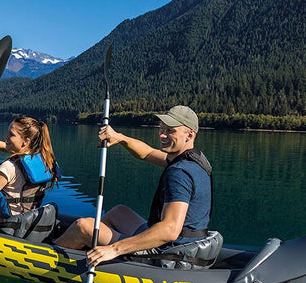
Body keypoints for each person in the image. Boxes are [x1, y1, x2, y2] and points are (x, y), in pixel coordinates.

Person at [54, 105, 212, 267]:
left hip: (168, 252)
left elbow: (169, 230)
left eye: (170, 131)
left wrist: (115, 249)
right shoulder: (193, 160)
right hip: (186, 242)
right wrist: (120, 138)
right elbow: (147, 153)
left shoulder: (179, 173)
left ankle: (49, 256)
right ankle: (90, 251)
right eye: (161, 128)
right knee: (118, 213)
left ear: (190, 135)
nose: (162, 135)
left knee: (83, 226)